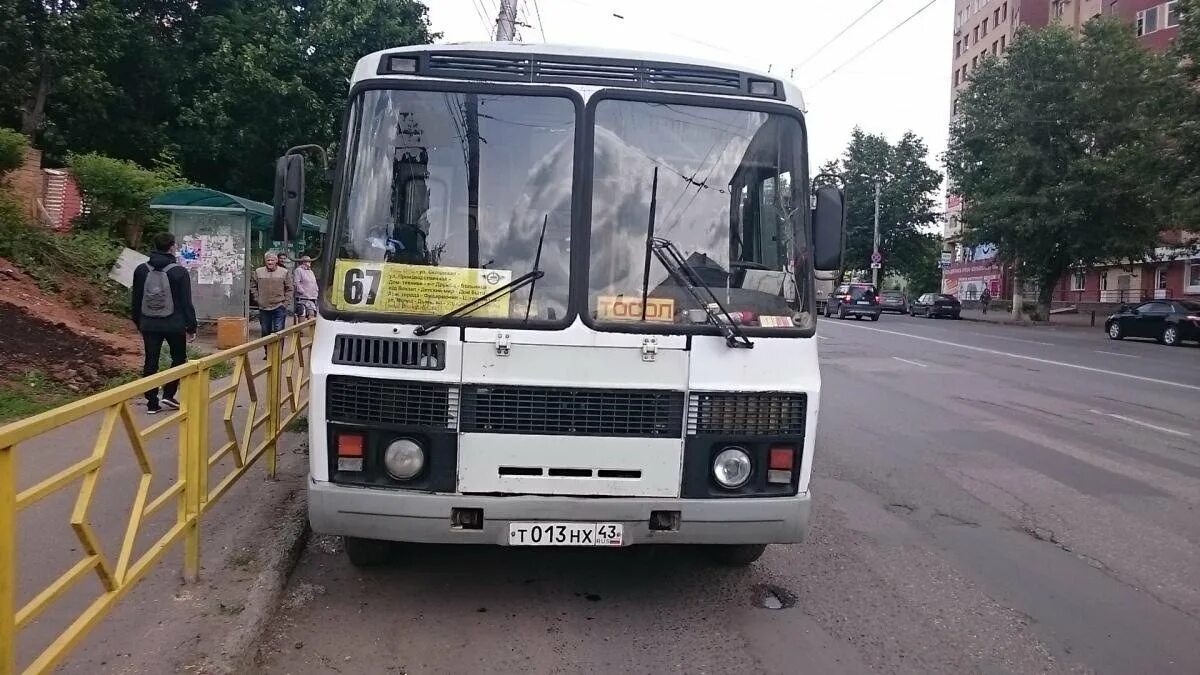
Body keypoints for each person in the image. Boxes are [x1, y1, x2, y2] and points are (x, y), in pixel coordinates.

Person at [131, 232, 197, 414]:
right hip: (174, 324)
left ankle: (152, 403)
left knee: (151, 361)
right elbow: (186, 302)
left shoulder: (141, 270)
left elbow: (136, 299)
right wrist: (191, 326)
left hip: (149, 323)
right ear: (172, 247)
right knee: (178, 358)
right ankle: (168, 393)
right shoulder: (179, 271)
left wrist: (139, 322)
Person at [250, 251, 293, 340]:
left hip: (279, 306)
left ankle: (278, 354)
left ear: (276, 261)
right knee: (265, 332)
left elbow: (290, 288)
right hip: (264, 307)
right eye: (268, 260)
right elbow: (253, 286)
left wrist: (285, 303)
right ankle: (268, 353)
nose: (270, 262)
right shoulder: (258, 272)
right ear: (265, 261)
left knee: (279, 331)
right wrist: (257, 299)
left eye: (272, 260)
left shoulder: (284, 272)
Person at [293, 255, 319, 320]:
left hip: (312, 297)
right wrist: (302, 291)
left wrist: (316, 290)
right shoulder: (298, 270)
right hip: (302, 297)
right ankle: (300, 330)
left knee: (312, 314)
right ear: (303, 262)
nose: (310, 262)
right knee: (302, 314)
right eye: (308, 261)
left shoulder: (311, 271)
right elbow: (296, 282)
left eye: (310, 261)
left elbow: (314, 282)